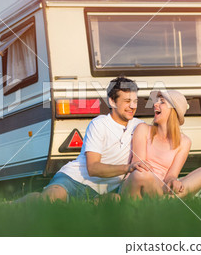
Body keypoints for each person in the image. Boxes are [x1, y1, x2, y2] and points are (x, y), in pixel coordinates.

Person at [17, 76, 148, 202]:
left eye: (135, 101)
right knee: (50, 200)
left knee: (113, 202)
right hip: (73, 178)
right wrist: (128, 168)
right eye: (127, 101)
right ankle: (13, 205)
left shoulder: (139, 126)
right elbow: (93, 168)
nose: (132, 106)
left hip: (99, 192)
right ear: (112, 101)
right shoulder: (99, 124)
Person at [121, 90, 201, 199]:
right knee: (142, 174)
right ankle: (169, 202)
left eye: (162, 102)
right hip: (136, 183)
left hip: (161, 187)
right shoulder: (143, 129)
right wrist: (154, 177)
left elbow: (171, 175)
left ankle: (167, 201)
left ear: (173, 111)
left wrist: (173, 181)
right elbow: (138, 164)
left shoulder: (184, 142)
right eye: (157, 101)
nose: (155, 104)